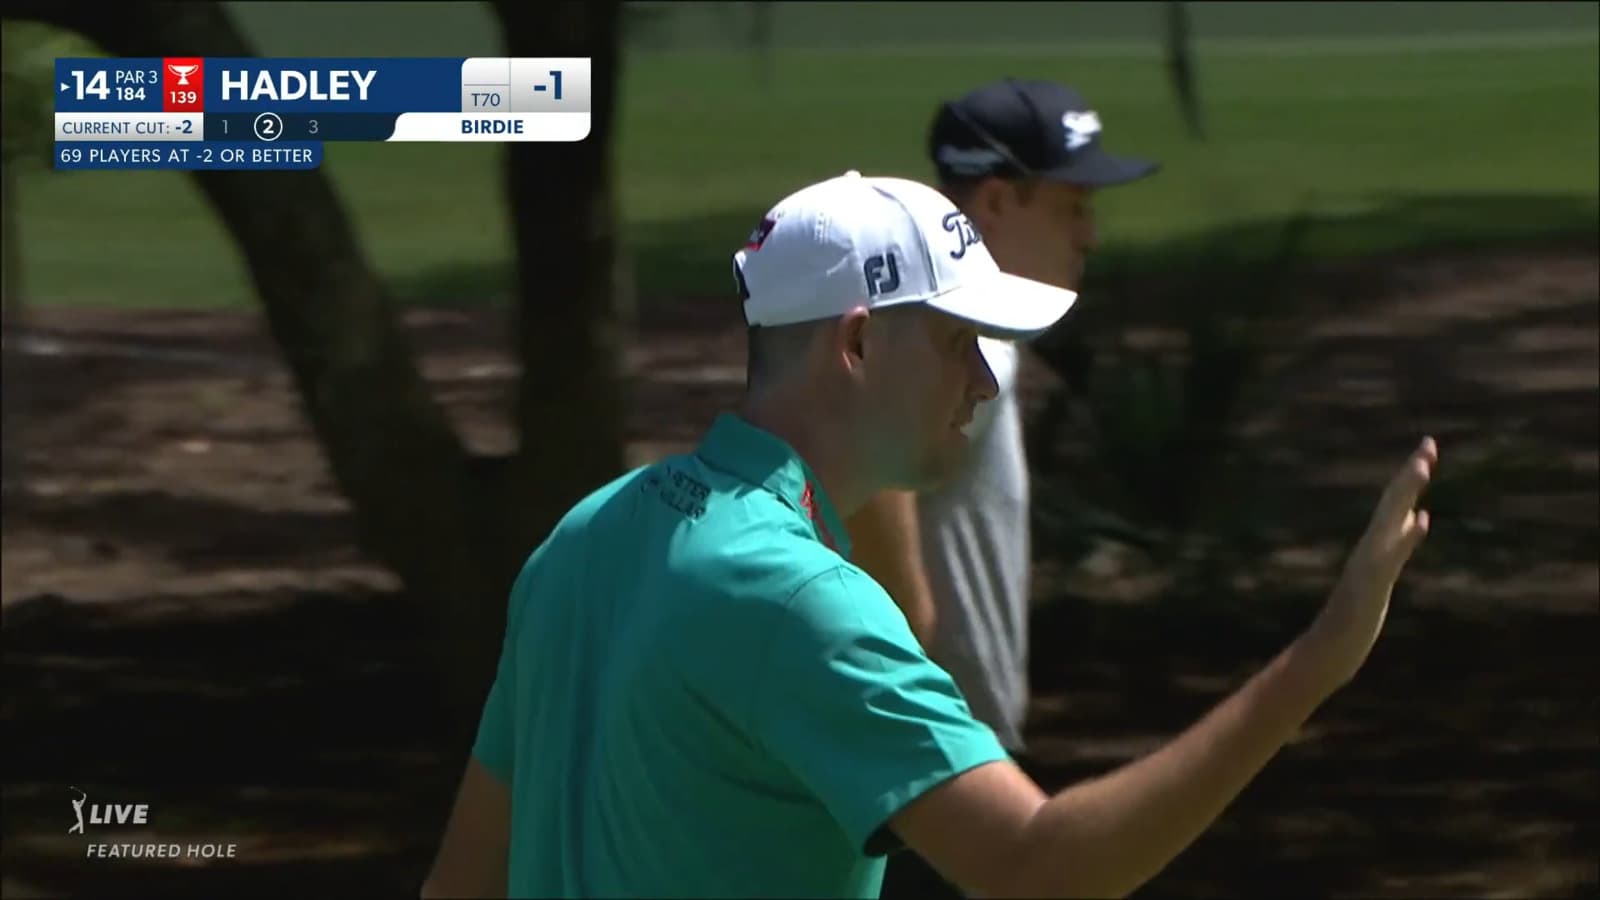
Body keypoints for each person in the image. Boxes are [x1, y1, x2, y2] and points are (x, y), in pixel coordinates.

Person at [420, 169, 1439, 899]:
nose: (984, 380)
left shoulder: (589, 532)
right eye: (959, 342)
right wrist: (1315, 663)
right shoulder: (798, 602)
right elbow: (1041, 867)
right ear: (858, 341)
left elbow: (464, 879)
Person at [848, 77, 1160, 896]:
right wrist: (911, 644)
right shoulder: (964, 339)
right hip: (928, 764)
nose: (1090, 234)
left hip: (929, 759)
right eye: (1071, 206)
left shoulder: (957, 324)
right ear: (994, 200)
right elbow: (871, 474)